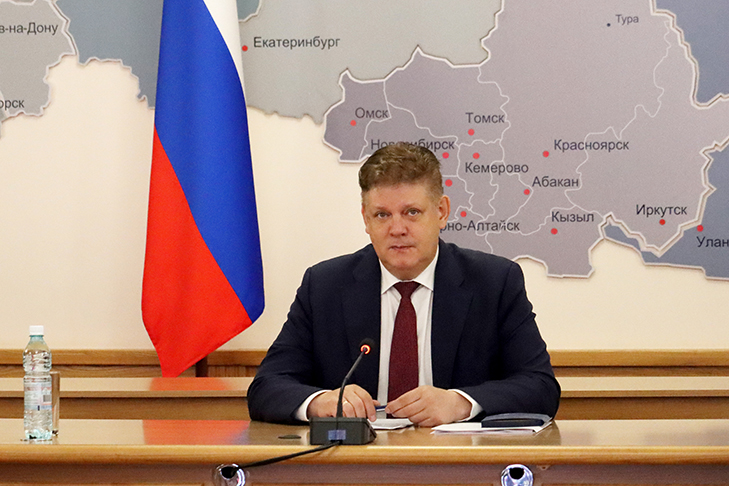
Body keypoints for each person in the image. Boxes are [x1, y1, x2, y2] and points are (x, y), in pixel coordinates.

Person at [248, 142, 560, 426]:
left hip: (457, 459)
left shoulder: (494, 282)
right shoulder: (325, 286)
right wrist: (321, 402)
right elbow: (266, 387)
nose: (397, 229)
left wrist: (460, 403)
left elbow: (540, 386)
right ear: (366, 219)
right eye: (382, 215)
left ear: (441, 212)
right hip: (356, 460)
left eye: (412, 212)